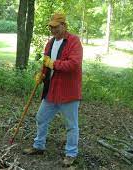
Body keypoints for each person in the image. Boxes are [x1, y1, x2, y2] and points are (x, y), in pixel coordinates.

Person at [22, 12, 83, 167]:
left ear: (64, 25)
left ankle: (71, 154)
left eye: (56, 26)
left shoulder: (74, 42)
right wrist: (42, 73)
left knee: (71, 125)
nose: (53, 29)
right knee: (41, 118)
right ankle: (39, 146)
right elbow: (46, 62)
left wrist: (53, 64)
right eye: (51, 26)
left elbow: (73, 64)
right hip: (51, 90)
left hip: (68, 92)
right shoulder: (50, 43)